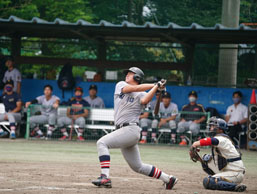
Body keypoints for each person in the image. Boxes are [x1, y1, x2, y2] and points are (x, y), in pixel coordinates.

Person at [92, 67, 178, 189]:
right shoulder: (121, 85)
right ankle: (168, 179)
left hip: (130, 129)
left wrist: (157, 91)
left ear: (137, 77)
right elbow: (133, 88)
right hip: (123, 131)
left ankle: (104, 177)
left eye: (130, 73)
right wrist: (156, 85)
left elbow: (145, 100)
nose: (127, 75)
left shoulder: (143, 93)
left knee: (102, 143)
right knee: (138, 167)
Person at [190, 117, 246, 192]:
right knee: (206, 158)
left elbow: (211, 141)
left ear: (220, 129)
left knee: (208, 181)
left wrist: (195, 144)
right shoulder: (221, 138)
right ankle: (219, 178)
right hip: (227, 170)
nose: (210, 128)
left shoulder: (222, 138)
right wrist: (199, 159)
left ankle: (235, 187)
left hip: (235, 172)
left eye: (213, 126)